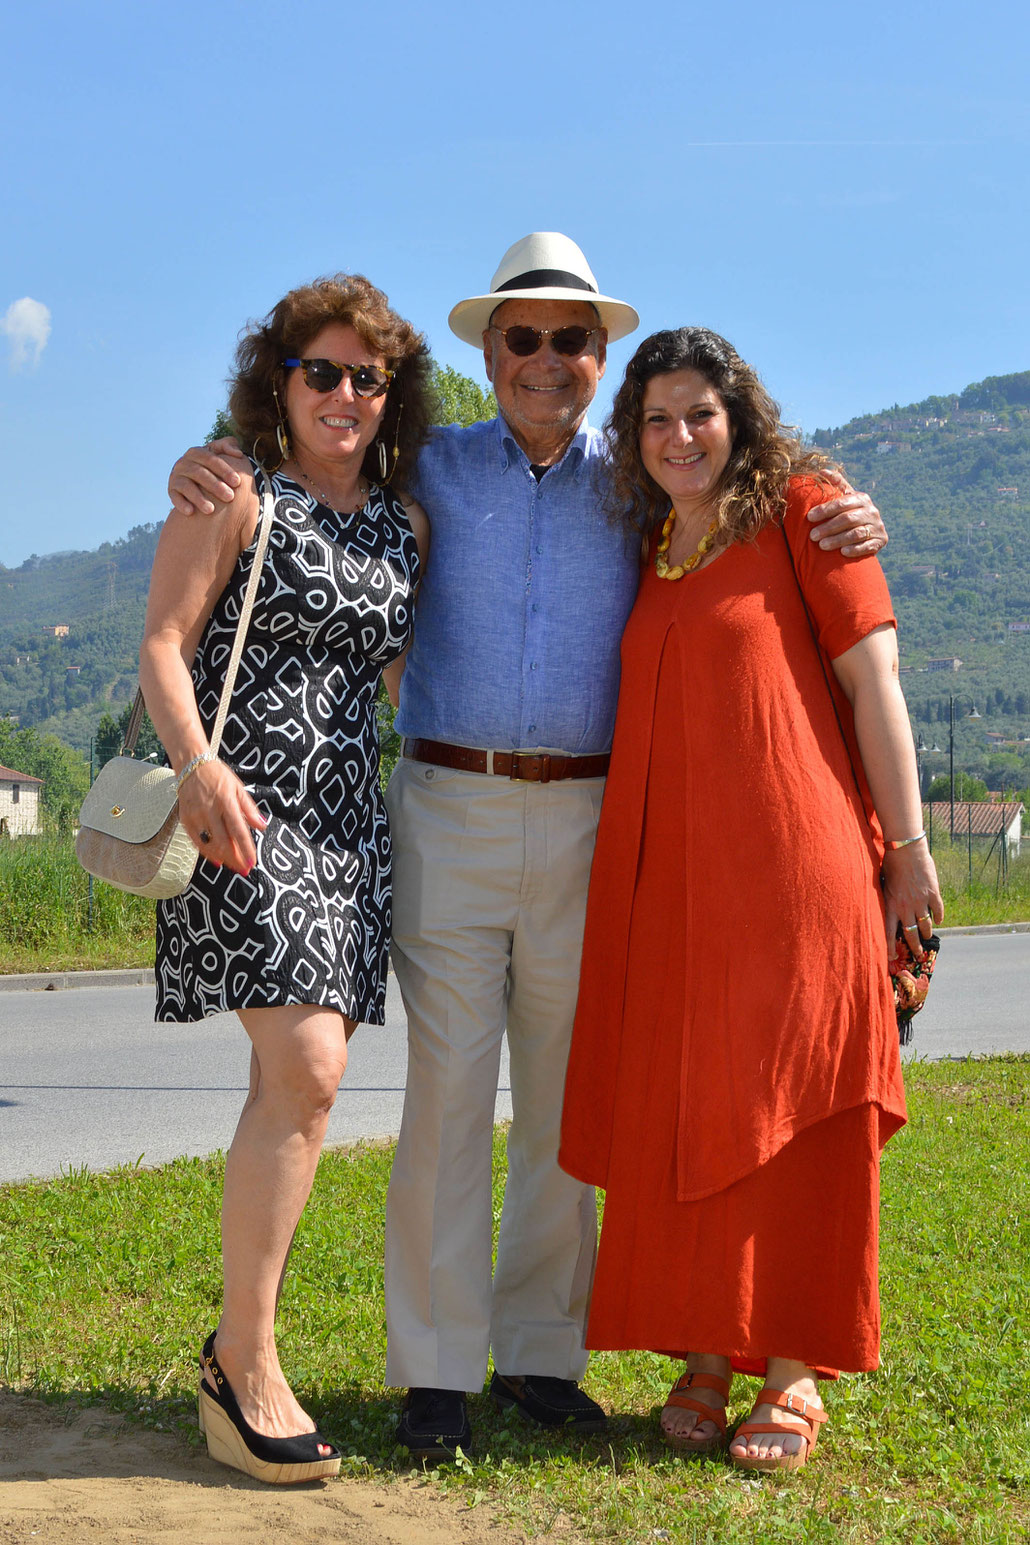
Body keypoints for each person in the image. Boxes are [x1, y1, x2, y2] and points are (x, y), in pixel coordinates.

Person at [166, 233, 888, 1461]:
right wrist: (212, 459)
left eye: (570, 339)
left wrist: (851, 494)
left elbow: (756, 478)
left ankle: (542, 1358)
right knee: (448, 1098)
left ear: (601, 358)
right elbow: (310, 466)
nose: (546, 360)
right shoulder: (430, 472)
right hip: (446, 802)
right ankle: (437, 1372)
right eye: (522, 337)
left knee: (567, 1097)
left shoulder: (646, 477)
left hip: (599, 819)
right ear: (486, 353)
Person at [559, 326, 943, 1473]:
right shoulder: (652, 541)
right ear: (634, 440)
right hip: (678, 888)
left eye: (699, 415)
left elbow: (874, 682)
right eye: (656, 420)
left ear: (740, 419)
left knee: (797, 1111)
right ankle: (709, 1352)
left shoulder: (810, 510)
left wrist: (911, 846)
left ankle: (793, 1369)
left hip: (799, 869)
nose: (679, 437)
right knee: (698, 1103)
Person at [141, 273, 432, 1482]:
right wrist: (199, 766)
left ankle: (236, 1354)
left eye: (368, 378)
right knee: (306, 1067)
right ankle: (243, 1359)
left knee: (307, 1088)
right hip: (240, 814)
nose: (346, 395)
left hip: (351, 826)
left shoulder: (405, 525)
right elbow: (162, 641)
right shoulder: (232, 495)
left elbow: (403, 681)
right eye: (322, 372)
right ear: (280, 381)